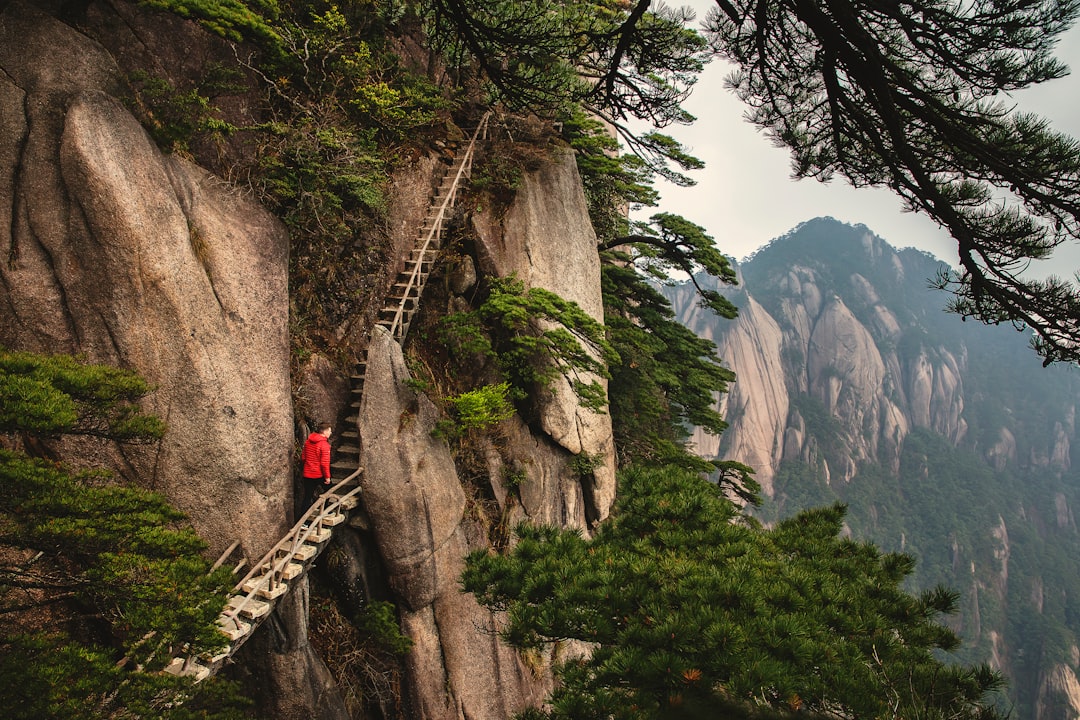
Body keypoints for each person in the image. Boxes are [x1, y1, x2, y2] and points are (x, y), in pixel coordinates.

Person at [300, 422, 332, 514]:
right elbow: (324, 463)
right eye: (329, 431)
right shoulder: (324, 445)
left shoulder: (308, 441)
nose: (331, 433)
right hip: (318, 474)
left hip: (307, 473)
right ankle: (325, 510)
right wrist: (327, 477)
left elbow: (303, 457)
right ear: (324, 432)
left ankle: (303, 522)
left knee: (307, 496)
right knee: (329, 489)